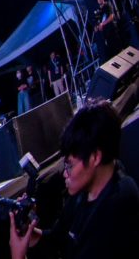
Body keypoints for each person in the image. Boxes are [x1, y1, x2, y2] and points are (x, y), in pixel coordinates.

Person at [9, 100, 139, 259]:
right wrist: (29, 232)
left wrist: (18, 256)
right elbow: (58, 239)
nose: (65, 173)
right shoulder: (84, 191)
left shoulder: (118, 204)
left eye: (69, 165)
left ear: (95, 157)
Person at [91, 0, 119, 65]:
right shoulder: (98, 11)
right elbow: (97, 23)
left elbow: (112, 16)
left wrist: (103, 24)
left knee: (117, 49)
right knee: (111, 52)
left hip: (112, 30)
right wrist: (97, 27)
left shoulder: (107, 5)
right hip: (106, 35)